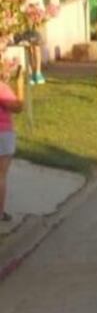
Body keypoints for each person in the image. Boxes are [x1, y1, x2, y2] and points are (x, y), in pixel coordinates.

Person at [0, 65, 24, 221]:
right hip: (2, 133)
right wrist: (20, 85)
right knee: (1, 176)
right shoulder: (2, 89)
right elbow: (18, 107)